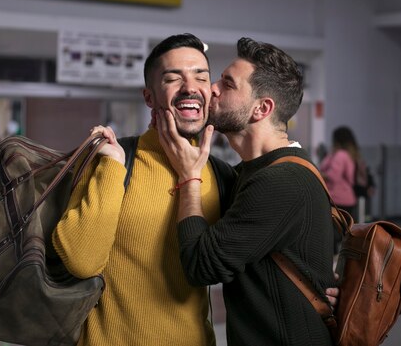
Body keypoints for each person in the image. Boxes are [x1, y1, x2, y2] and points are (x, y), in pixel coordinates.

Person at [52, 33, 236, 346]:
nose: (190, 87)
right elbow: (81, 261)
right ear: (149, 97)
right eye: (173, 78)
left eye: (201, 76)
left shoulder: (222, 176)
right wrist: (111, 168)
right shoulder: (112, 161)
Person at [155, 37, 336, 345]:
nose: (212, 88)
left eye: (228, 83)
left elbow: (202, 266)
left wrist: (189, 178)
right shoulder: (252, 171)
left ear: (261, 108)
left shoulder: (283, 180)